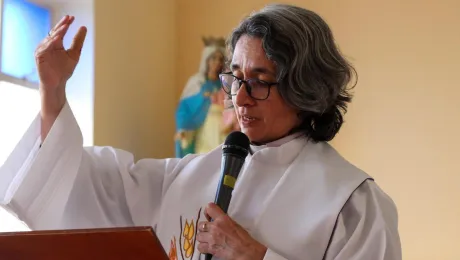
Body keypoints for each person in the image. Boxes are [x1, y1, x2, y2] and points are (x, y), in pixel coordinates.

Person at [0, 4, 402, 260]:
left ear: (305, 88)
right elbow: (81, 185)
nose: (239, 99)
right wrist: (52, 91)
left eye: (260, 81)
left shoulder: (352, 206)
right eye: (235, 78)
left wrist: (257, 258)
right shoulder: (186, 176)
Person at [175, 37, 239, 158]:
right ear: (207, 60)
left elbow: (232, 105)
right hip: (203, 132)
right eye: (213, 58)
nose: (217, 62)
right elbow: (185, 109)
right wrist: (202, 98)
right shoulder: (197, 83)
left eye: (220, 59)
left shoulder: (226, 82)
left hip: (222, 130)